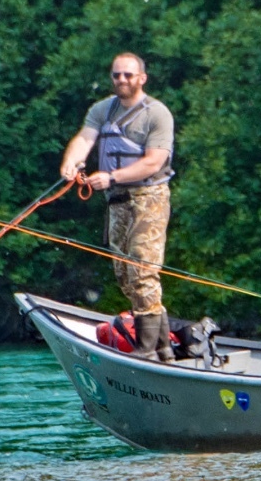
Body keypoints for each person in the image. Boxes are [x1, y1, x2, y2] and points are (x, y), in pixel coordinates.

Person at [57, 53, 177, 361]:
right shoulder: (101, 110)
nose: (121, 80)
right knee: (125, 275)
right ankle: (164, 347)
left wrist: (111, 177)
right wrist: (71, 164)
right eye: (116, 75)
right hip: (117, 204)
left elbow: (153, 162)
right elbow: (84, 139)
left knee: (143, 271)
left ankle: (148, 351)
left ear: (142, 78)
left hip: (148, 199)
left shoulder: (157, 114)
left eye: (127, 75)